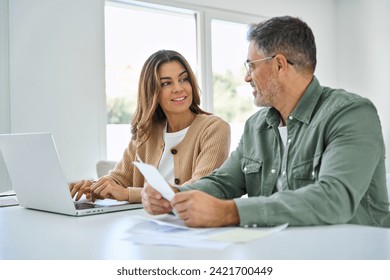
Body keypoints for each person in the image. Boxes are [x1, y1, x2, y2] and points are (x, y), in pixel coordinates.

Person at [142, 16, 390, 228]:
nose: (246, 76)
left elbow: (334, 199)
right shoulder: (256, 126)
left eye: (251, 65)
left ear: (279, 64)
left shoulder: (351, 114)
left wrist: (231, 212)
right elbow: (224, 182)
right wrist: (175, 195)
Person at [70, 50, 230, 203]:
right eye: (166, 83)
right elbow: (118, 178)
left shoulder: (215, 128)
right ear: (152, 91)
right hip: (146, 224)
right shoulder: (146, 133)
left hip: (192, 226)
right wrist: (93, 186)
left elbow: (198, 189)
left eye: (183, 79)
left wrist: (127, 194)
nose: (178, 88)